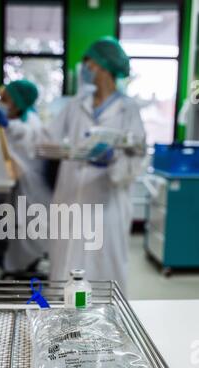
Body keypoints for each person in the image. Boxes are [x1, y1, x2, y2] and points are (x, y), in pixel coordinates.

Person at [48, 37, 146, 294]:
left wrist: (113, 160)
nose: (85, 69)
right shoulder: (75, 104)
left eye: (89, 63)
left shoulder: (128, 110)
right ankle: (62, 327)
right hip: (70, 199)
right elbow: (48, 140)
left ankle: (104, 327)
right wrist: (67, 149)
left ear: (103, 66)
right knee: (65, 268)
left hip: (106, 206)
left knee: (102, 272)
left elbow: (138, 157)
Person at [0, 79, 51, 274]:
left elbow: (26, 134)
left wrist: (6, 124)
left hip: (33, 188)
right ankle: (17, 266)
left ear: (18, 101)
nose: (1, 102)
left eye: (5, 98)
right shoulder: (21, 119)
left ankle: (22, 269)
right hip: (24, 184)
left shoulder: (30, 121)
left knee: (27, 230)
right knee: (18, 227)